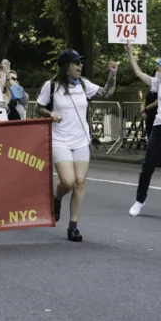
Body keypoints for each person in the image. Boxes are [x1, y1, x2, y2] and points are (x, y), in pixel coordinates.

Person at [36, 49, 118, 242]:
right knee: (68, 182)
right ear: (66, 66)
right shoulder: (52, 85)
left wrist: (112, 74)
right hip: (60, 140)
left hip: (81, 140)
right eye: (76, 63)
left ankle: (73, 226)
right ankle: (56, 199)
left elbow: (106, 93)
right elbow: (39, 107)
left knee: (80, 183)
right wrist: (50, 114)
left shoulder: (83, 84)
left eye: (81, 63)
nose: (80, 66)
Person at [127, 45, 161, 217]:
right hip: (158, 127)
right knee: (148, 165)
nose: (157, 70)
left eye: (159, 68)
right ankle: (139, 201)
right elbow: (138, 73)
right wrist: (129, 51)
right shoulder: (158, 83)